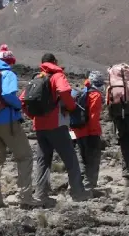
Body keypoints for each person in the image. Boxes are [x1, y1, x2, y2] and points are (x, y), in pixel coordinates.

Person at [0, 45, 42, 212]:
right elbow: (7, 95)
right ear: (10, 61)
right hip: (9, 122)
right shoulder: (8, 74)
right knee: (25, 156)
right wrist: (19, 104)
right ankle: (25, 197)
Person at [22, 53, 89, 203]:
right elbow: (65, 91)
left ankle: (41, 195)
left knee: (42, 161)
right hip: (57, 125)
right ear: (54, 62)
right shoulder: (57, 75)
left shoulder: (36, 78)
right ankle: (78, 193)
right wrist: (71, 107)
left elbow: (22, 100)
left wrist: (33, 117)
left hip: (39, 126)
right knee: (70, 159)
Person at [71, 71, 104, 193]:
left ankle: (80, 184)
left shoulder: (79, 93)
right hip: (90, 132)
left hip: (77, 131)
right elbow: (93, 117)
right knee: (93, 158)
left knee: (82, 158)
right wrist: (96, 132)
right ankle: (90, 185)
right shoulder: (95, 95)